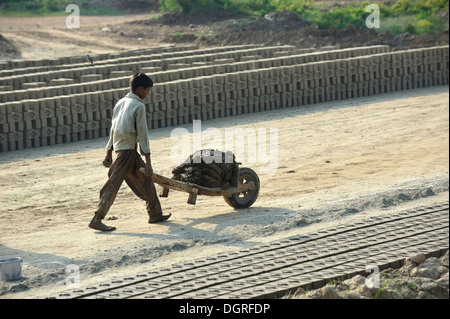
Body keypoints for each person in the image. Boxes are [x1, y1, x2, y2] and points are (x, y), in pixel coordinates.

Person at [89, 72, 171, 231]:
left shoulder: (120, 103)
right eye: (147, 90)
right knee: (112, 184)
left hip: (124, 150)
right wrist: (148, 162)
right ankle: (97, 218)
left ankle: (155, 213)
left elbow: (113, 129)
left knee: (147, 180)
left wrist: (108, 152)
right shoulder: (139, 105)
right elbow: (143, 135)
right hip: (127, 153)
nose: (148, 94)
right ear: (140, 89)